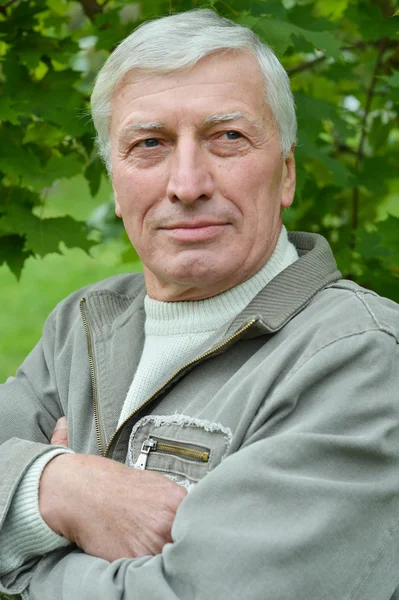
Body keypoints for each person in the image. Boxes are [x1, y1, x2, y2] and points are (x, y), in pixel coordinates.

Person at [0, 8, 399, 600]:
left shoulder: (359, 358)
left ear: (285, 174)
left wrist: (27, 566)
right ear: (115, 185)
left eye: (228, 137)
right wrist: (54, 486)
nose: (187, 184)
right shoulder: (83, 323)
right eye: (149, 143)